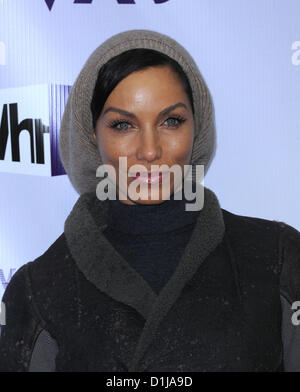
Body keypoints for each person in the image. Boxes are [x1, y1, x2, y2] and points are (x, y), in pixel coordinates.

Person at [0, 29, 300, 372]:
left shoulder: (276, 259)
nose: (149, 150)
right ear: (91, 136)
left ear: (196, 130)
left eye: (171, 121)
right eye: (123, 125)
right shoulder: (38, 291)